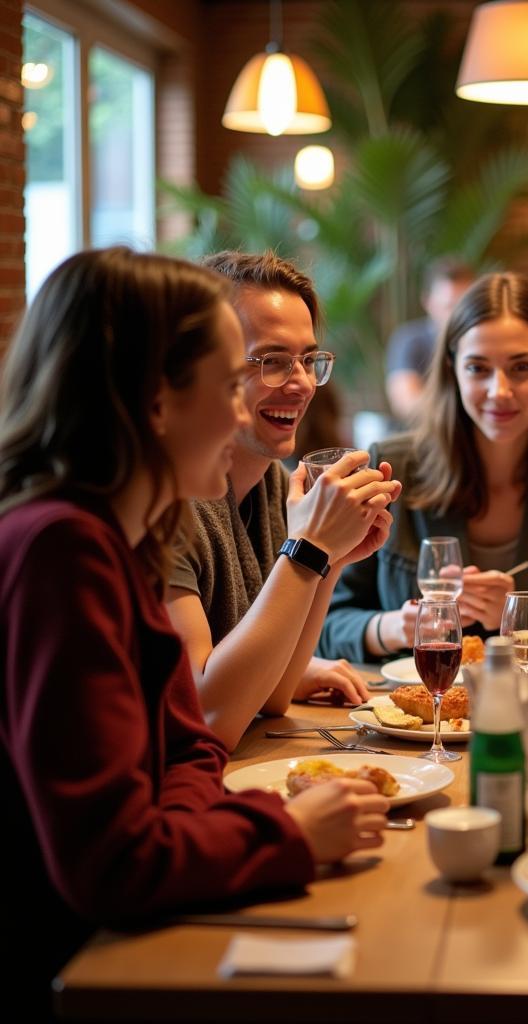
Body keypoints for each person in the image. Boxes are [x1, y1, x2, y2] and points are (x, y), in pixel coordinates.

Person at [0, 248, 389, 1019]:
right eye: (230, 381)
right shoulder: (59, 549)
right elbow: (112, 862)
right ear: (155, 401)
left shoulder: (119, 536)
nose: (248, 412)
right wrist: (284, 834)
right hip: (78, 967)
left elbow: (188, 745)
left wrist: (202, 823)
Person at [318, 272, 528, 662]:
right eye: (478, 368)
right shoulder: (392, 470)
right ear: (452, 369)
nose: (500, 391)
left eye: (522, 367)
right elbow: (322, 626)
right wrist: (394, 626)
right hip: (410, 718)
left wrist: (517, 619)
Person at [167, 251, 401, 751]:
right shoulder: (166, 500)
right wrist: (310, 549)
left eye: (308, 359)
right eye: (271, 361)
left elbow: (270, 695)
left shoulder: (275, 486)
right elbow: (205, 720)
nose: (299, 383)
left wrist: (332, 558)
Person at [385, 257, 475, 423]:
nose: (458, 315)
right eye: (449, 306)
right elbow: (407, 404)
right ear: (428, 303)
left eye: (464, 306)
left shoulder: (481, 342)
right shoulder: (409, 339)